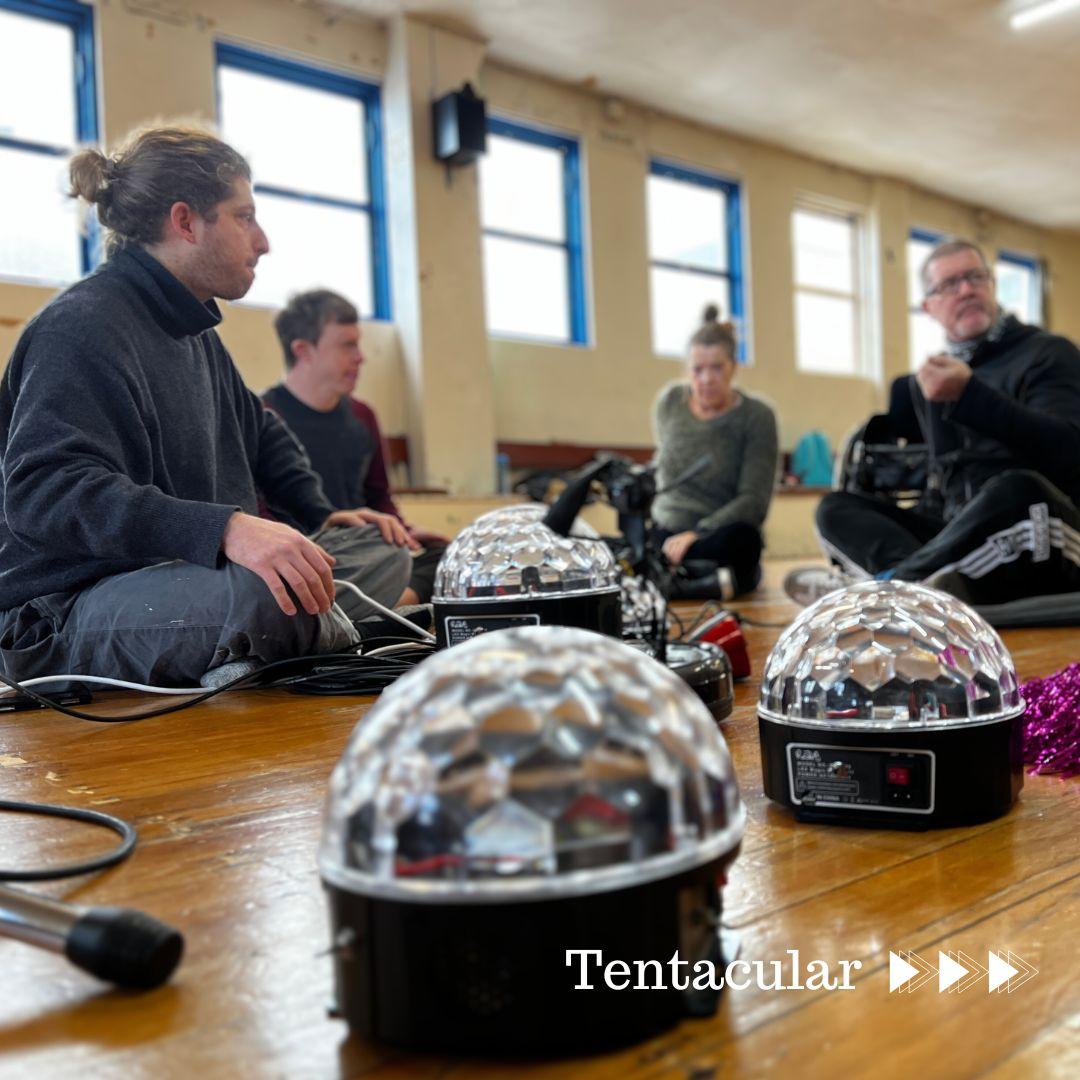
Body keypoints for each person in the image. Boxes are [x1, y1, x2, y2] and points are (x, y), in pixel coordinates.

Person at [0, 126, 413, 688]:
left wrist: (318, 515)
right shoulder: (79, 328)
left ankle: (281, 638)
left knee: (380, 551)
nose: (262, 241)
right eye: (244, 217)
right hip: (65, 610)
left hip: (187, 579)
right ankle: (312, 636)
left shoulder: (195, 332)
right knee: (265, 594)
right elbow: (44, 492)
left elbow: (261, 431)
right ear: (186, 221)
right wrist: (225, 529)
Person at [787, 239, 1080, 608]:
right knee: (835, 508)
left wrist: (970, 395)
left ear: (991, 284)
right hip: (965, 539)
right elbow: (947, 482)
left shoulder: (1048, 353)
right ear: (929, 307)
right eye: (950, 284)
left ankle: (887, 595)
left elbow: (1069, 453)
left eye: (975, 277)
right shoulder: (932, 377)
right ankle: (919, 588)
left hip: (1043, 530)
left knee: (1019, 491)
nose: (967, 289)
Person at [263, 289, 448, 605]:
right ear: (304, 350)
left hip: (366, 546)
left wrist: (402, 532)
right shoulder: (264, 416)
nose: (361, 356)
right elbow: (263, 517)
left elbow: (378, 497)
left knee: (446, 556)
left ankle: (380, 607)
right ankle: (388, 606)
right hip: (312, 554)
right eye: (347, 345)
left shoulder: (363, 416)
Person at [651, 304, 779, 600]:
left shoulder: (757, 416)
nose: (707, 379)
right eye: (698, 370)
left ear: (734, 367)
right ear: (688, 370)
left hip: (717, 533)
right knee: (632, 544)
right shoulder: (669, 402)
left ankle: (671, 579)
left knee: (746, 542)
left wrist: (698, 533)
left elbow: (754, 501)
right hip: (665, 529)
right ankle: (708, 581)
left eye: (717, 368)